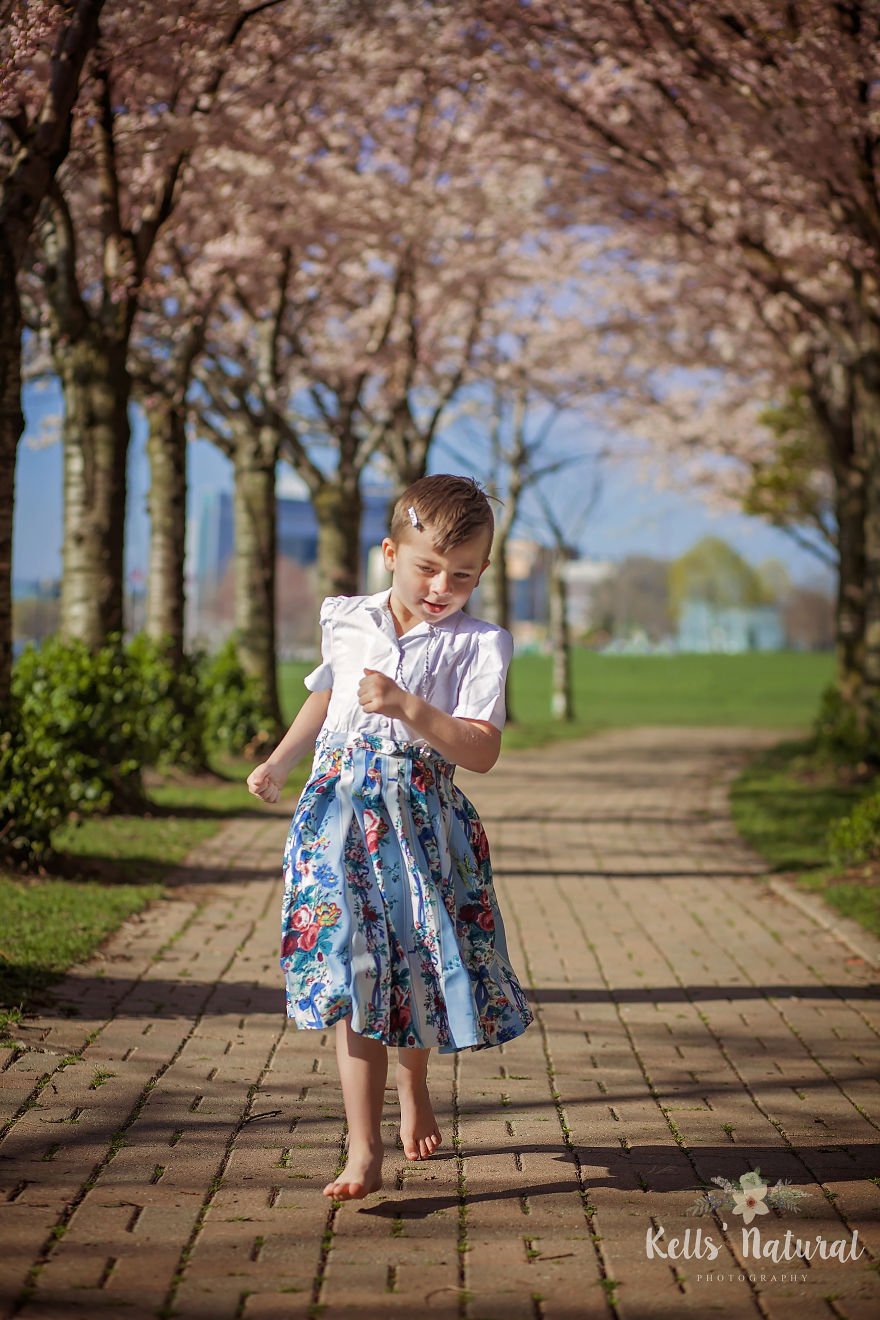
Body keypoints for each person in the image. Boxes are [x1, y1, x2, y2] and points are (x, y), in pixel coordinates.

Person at [246, 474, 533, 1201]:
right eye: (426, 568)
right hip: (339, 813)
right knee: (352, 972)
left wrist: (410, 707)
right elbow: (327, 692)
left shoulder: (481, 645)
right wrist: (280, 760)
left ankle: (415, 1087)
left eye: (462, 575)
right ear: (389, 553)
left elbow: (481, 750)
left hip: (422, 821)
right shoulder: (346, 618)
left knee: (412, 968)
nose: (442, 586)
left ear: (484, 571)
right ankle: (362, 1147)